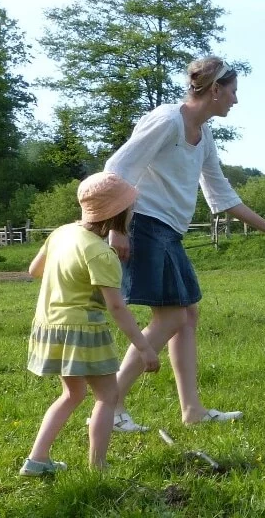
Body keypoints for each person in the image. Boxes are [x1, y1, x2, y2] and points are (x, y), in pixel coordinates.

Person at [103, 55, 265, 431]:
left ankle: (192, 410)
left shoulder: (204, 134)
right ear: (215, 89)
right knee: (171, 316)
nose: (236, 100)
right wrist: (116, 227)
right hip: (144, 223)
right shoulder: (167, 120)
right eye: (233, 92)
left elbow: (220, 194)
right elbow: (116, 168)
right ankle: (111, 402)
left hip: (169, 231)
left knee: (187, 316)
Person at [20, 173, 160, 476]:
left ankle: (37, 459)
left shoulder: (62, 233)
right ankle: (98, 468)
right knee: (108, 397)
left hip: (50, 325)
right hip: (83, 332)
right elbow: (116, 306)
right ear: (118, 213)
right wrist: (144, 346)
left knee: (72, 394)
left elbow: (34, 270)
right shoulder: (100, 253)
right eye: (130, 207)